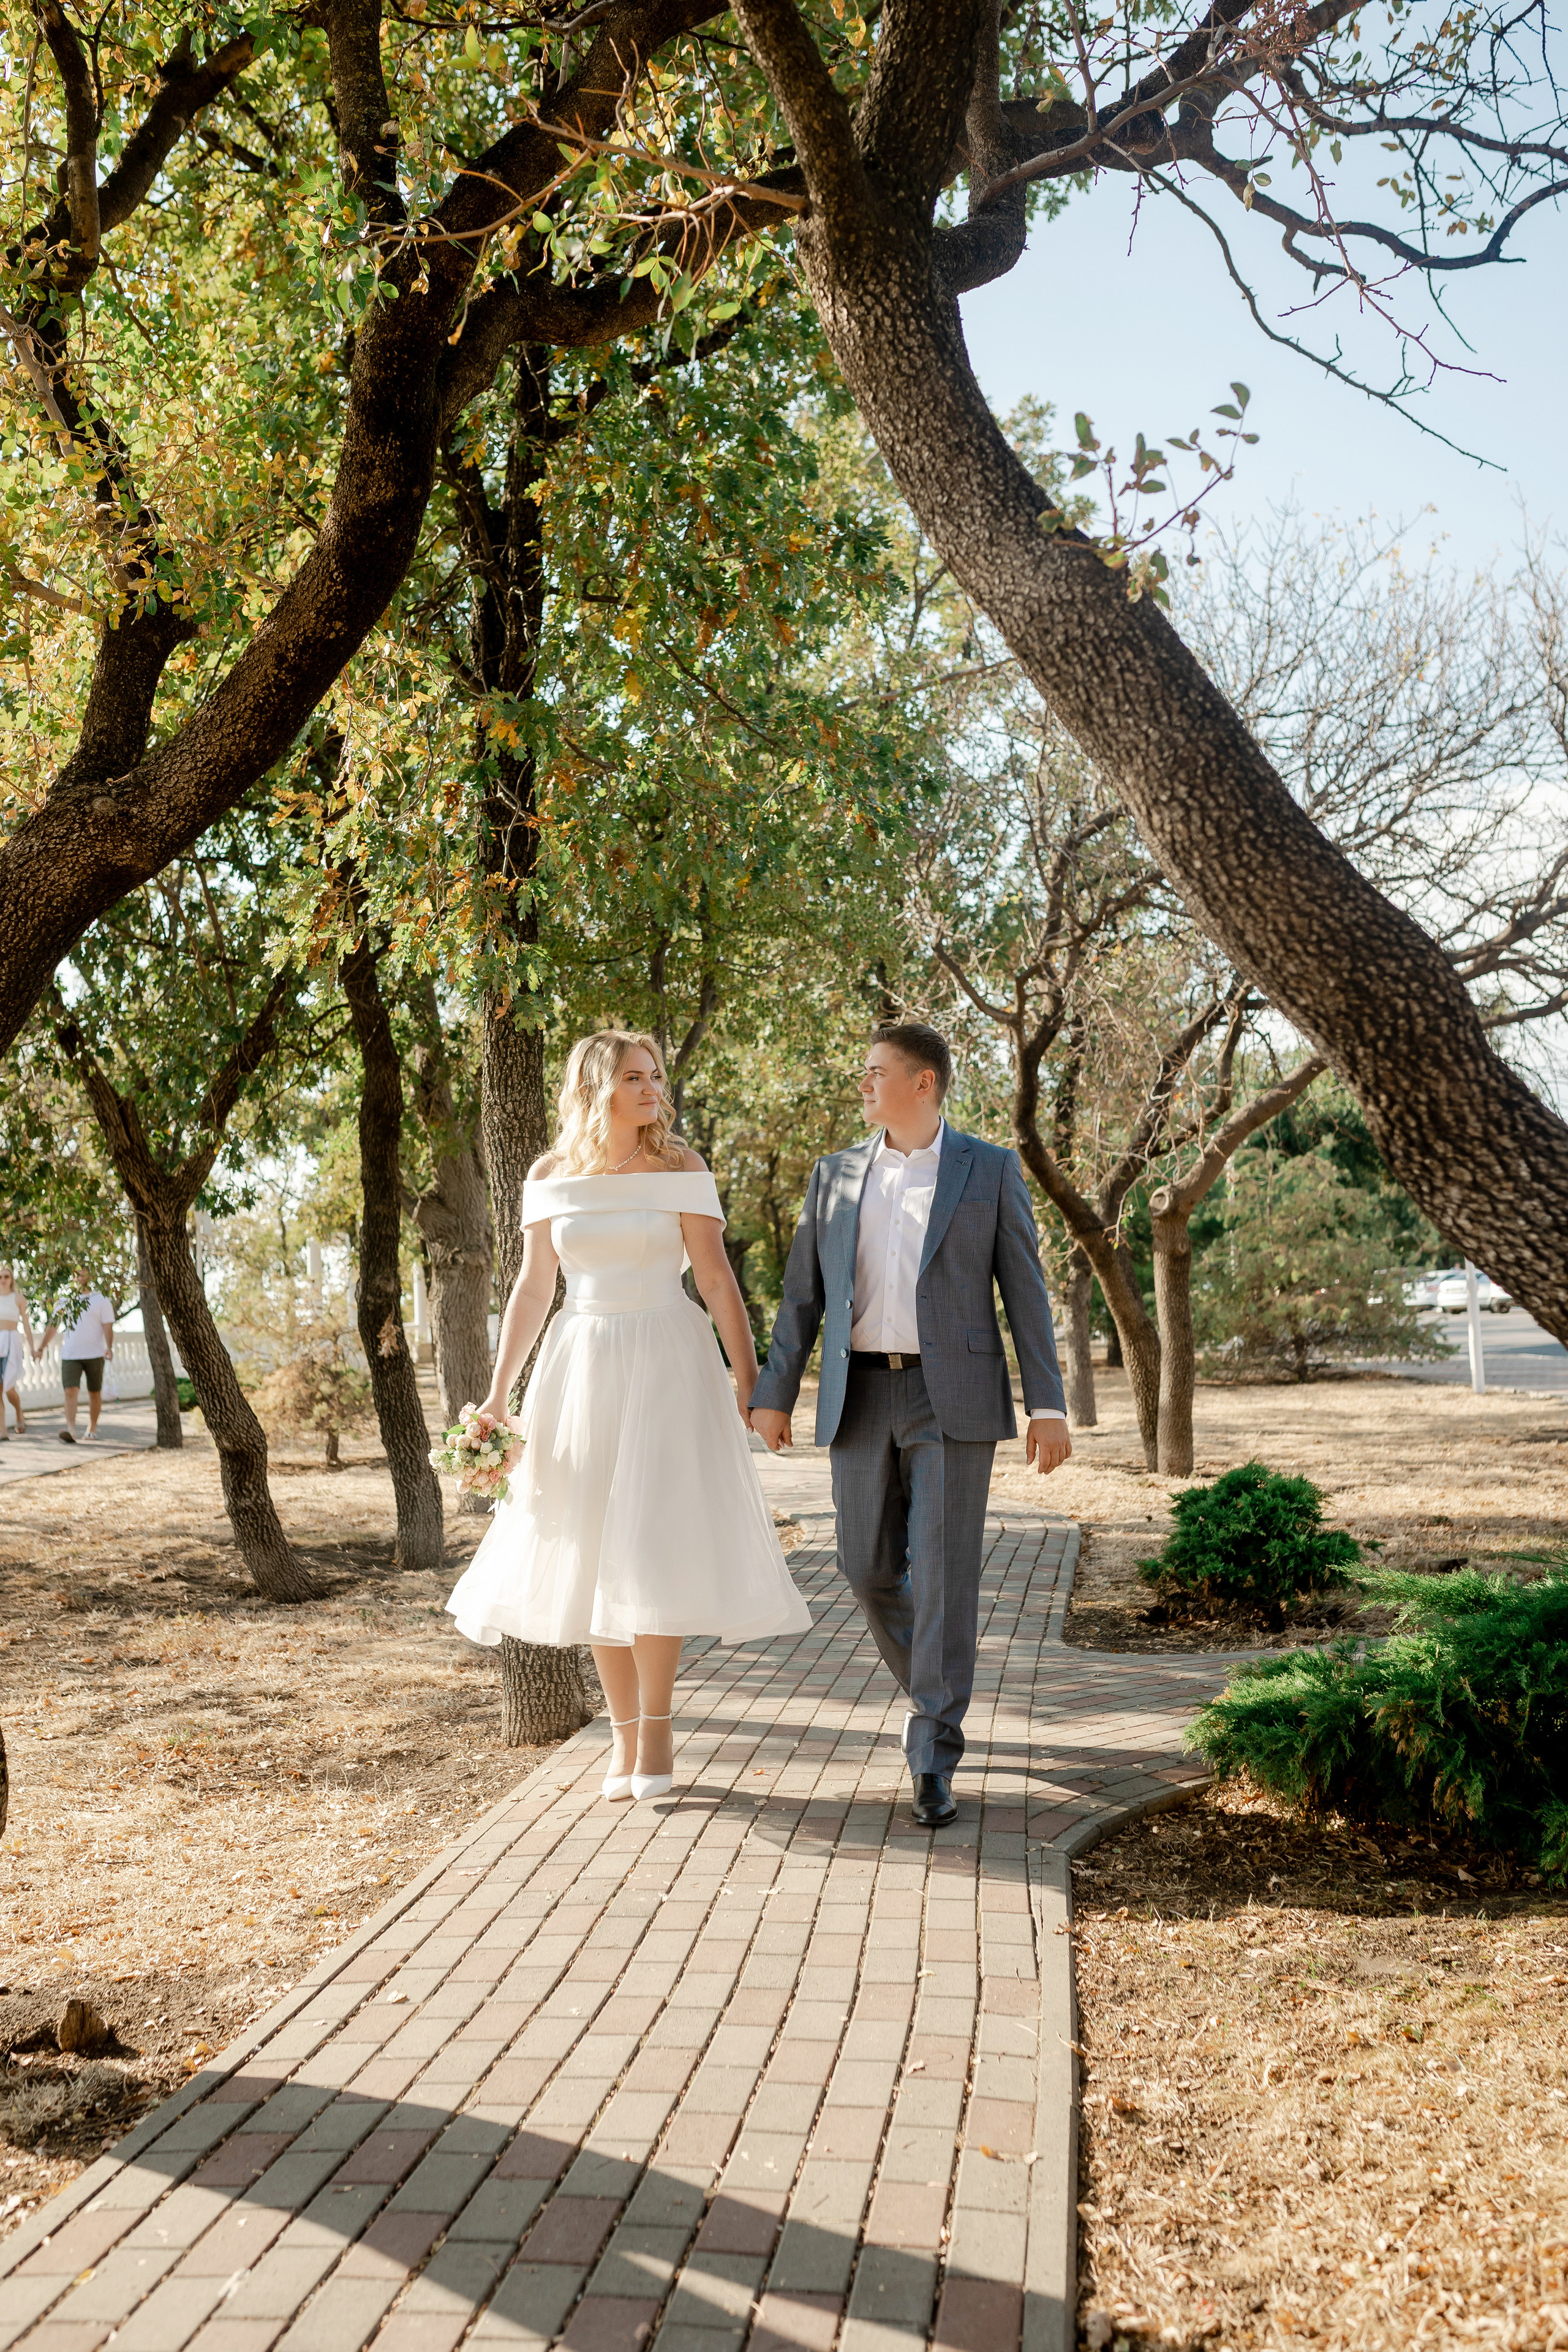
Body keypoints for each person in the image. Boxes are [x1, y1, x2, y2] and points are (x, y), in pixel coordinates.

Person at [446, 1029, 810, 1801]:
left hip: (669, 1359)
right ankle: (619, 1741)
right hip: (580, 1363)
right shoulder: (548, 1174)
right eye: (636, 1078)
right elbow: (534, 1289)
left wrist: (752, 1382)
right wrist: (497, 1393)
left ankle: (658, 1733)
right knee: (590, 1548)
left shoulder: (682, 1166)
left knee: (651, 1544)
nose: (653, 1090)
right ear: (595, 1087)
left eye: (654, 1077)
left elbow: (715, 1280)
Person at [751, 1022, 1070, 1830]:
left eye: (876, 1073)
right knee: (864, 1570)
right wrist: (774, 1392)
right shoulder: (834, 1176)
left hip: (950, 1399)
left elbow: (1025, 1294)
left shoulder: (988, 1171)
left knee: (943, 1572)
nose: (863, 1085)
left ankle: (933, 1750)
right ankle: (936, 1696)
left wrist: (1049, 1404)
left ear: (923, 1083)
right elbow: (800, 1300)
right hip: (860, 1399)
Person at [38, 1270, 115, 1445]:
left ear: (91, 1275)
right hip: (71, 1354)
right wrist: (41, 1347)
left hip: (95, 1354)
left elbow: (108, 1326)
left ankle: (92, 1428)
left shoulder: (100, 1299)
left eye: (84, 1274)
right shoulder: (65, 1300)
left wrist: (109, 1347)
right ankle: (71, 1429)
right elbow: (54, 1325)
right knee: (70, 1391)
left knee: (94, 1393)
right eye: (77, 1274)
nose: (80, 1277)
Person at [0, 1265, 35, 1438]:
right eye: (0, 1277)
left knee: (9, 1388)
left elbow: (27, 1325)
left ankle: (19, 1412)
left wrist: (33, 1349)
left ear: (11, 1279)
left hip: (12, 1344)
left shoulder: (18, 1298)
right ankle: (3, 1431)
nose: (3, 1280)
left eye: (6, 1276)